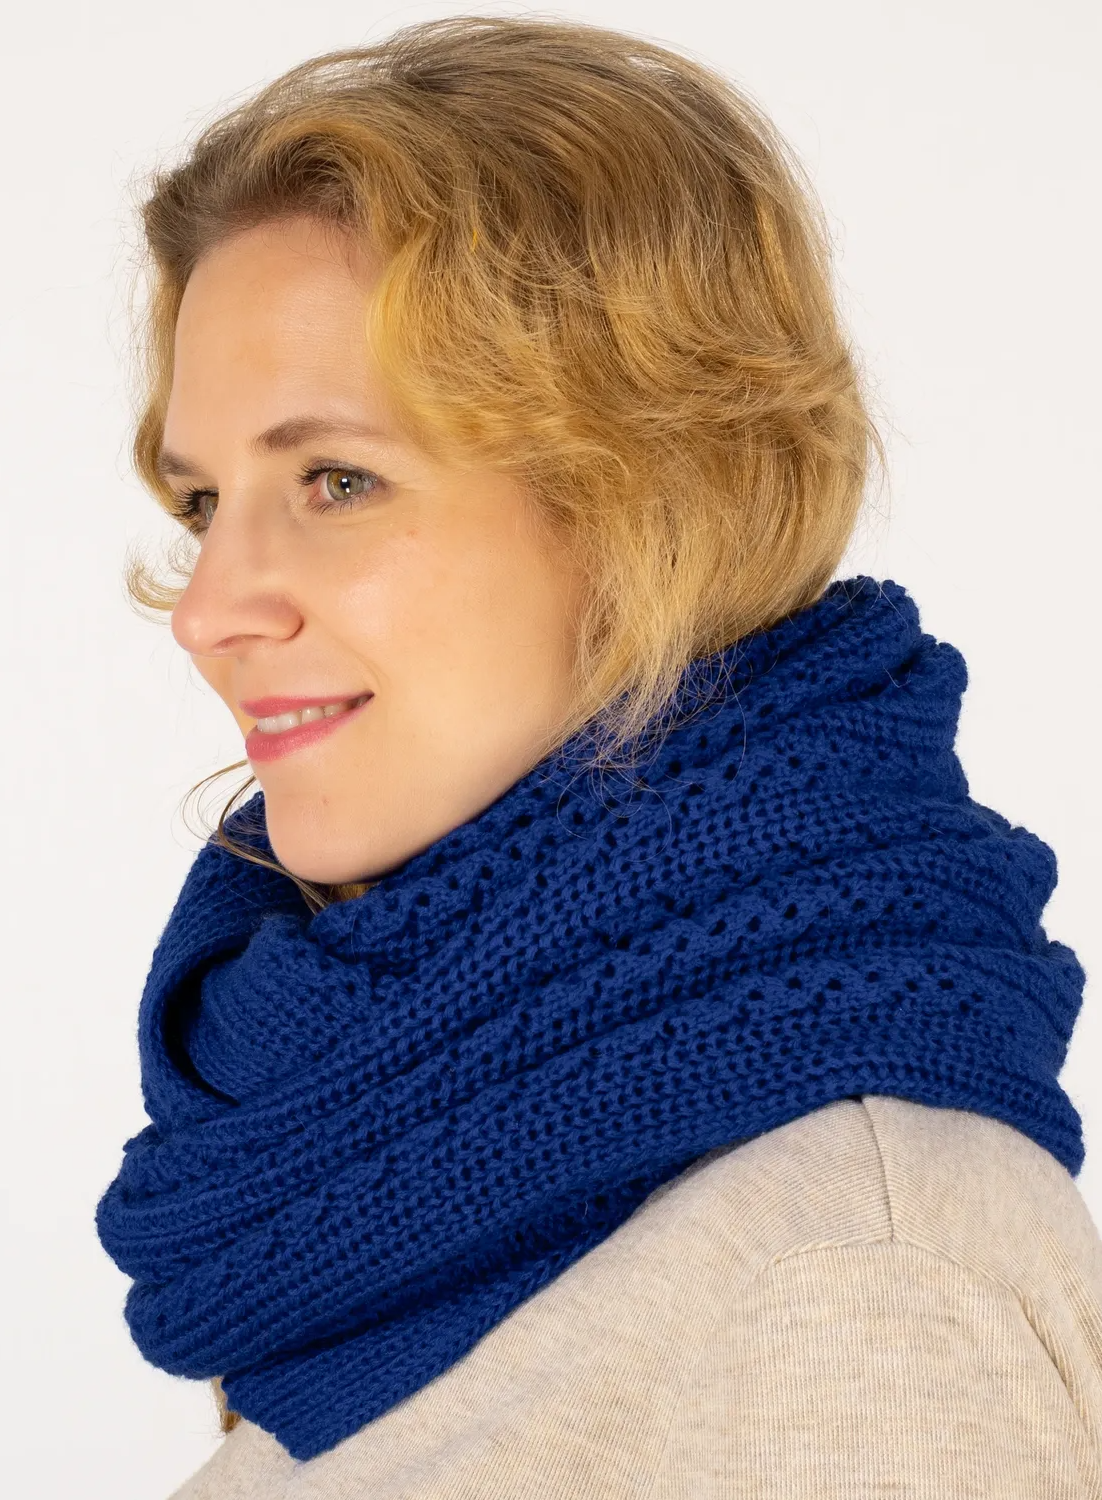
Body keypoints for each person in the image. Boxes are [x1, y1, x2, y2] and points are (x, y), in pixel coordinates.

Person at [95, 16, 1102, 1498]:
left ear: (651, 501)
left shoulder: (851, 1277)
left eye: (337, 479)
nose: (209, 611)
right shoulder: (382, 1201)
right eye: (202, 502)